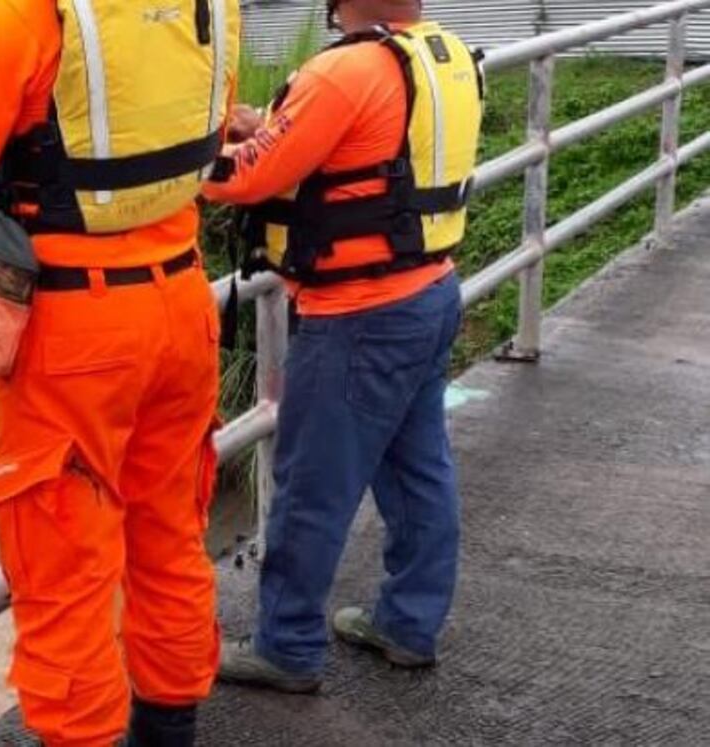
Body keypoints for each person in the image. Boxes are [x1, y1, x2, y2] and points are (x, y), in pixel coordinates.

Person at [0, 0, 240, 743]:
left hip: (74, 334)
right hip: (183, 303)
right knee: (170, 542)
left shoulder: (14, 14)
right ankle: (170, 732)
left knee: (65, 576)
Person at [203, 0, 483, 692]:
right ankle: (408, 624)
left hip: (359, 315)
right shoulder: (439, 53)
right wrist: (268, 130)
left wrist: (166, 163)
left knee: (311, 487)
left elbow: (247, 179)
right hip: (430, 290)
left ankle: (286, 646)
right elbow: (369, 150)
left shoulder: (345, 70)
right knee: (419, 469)